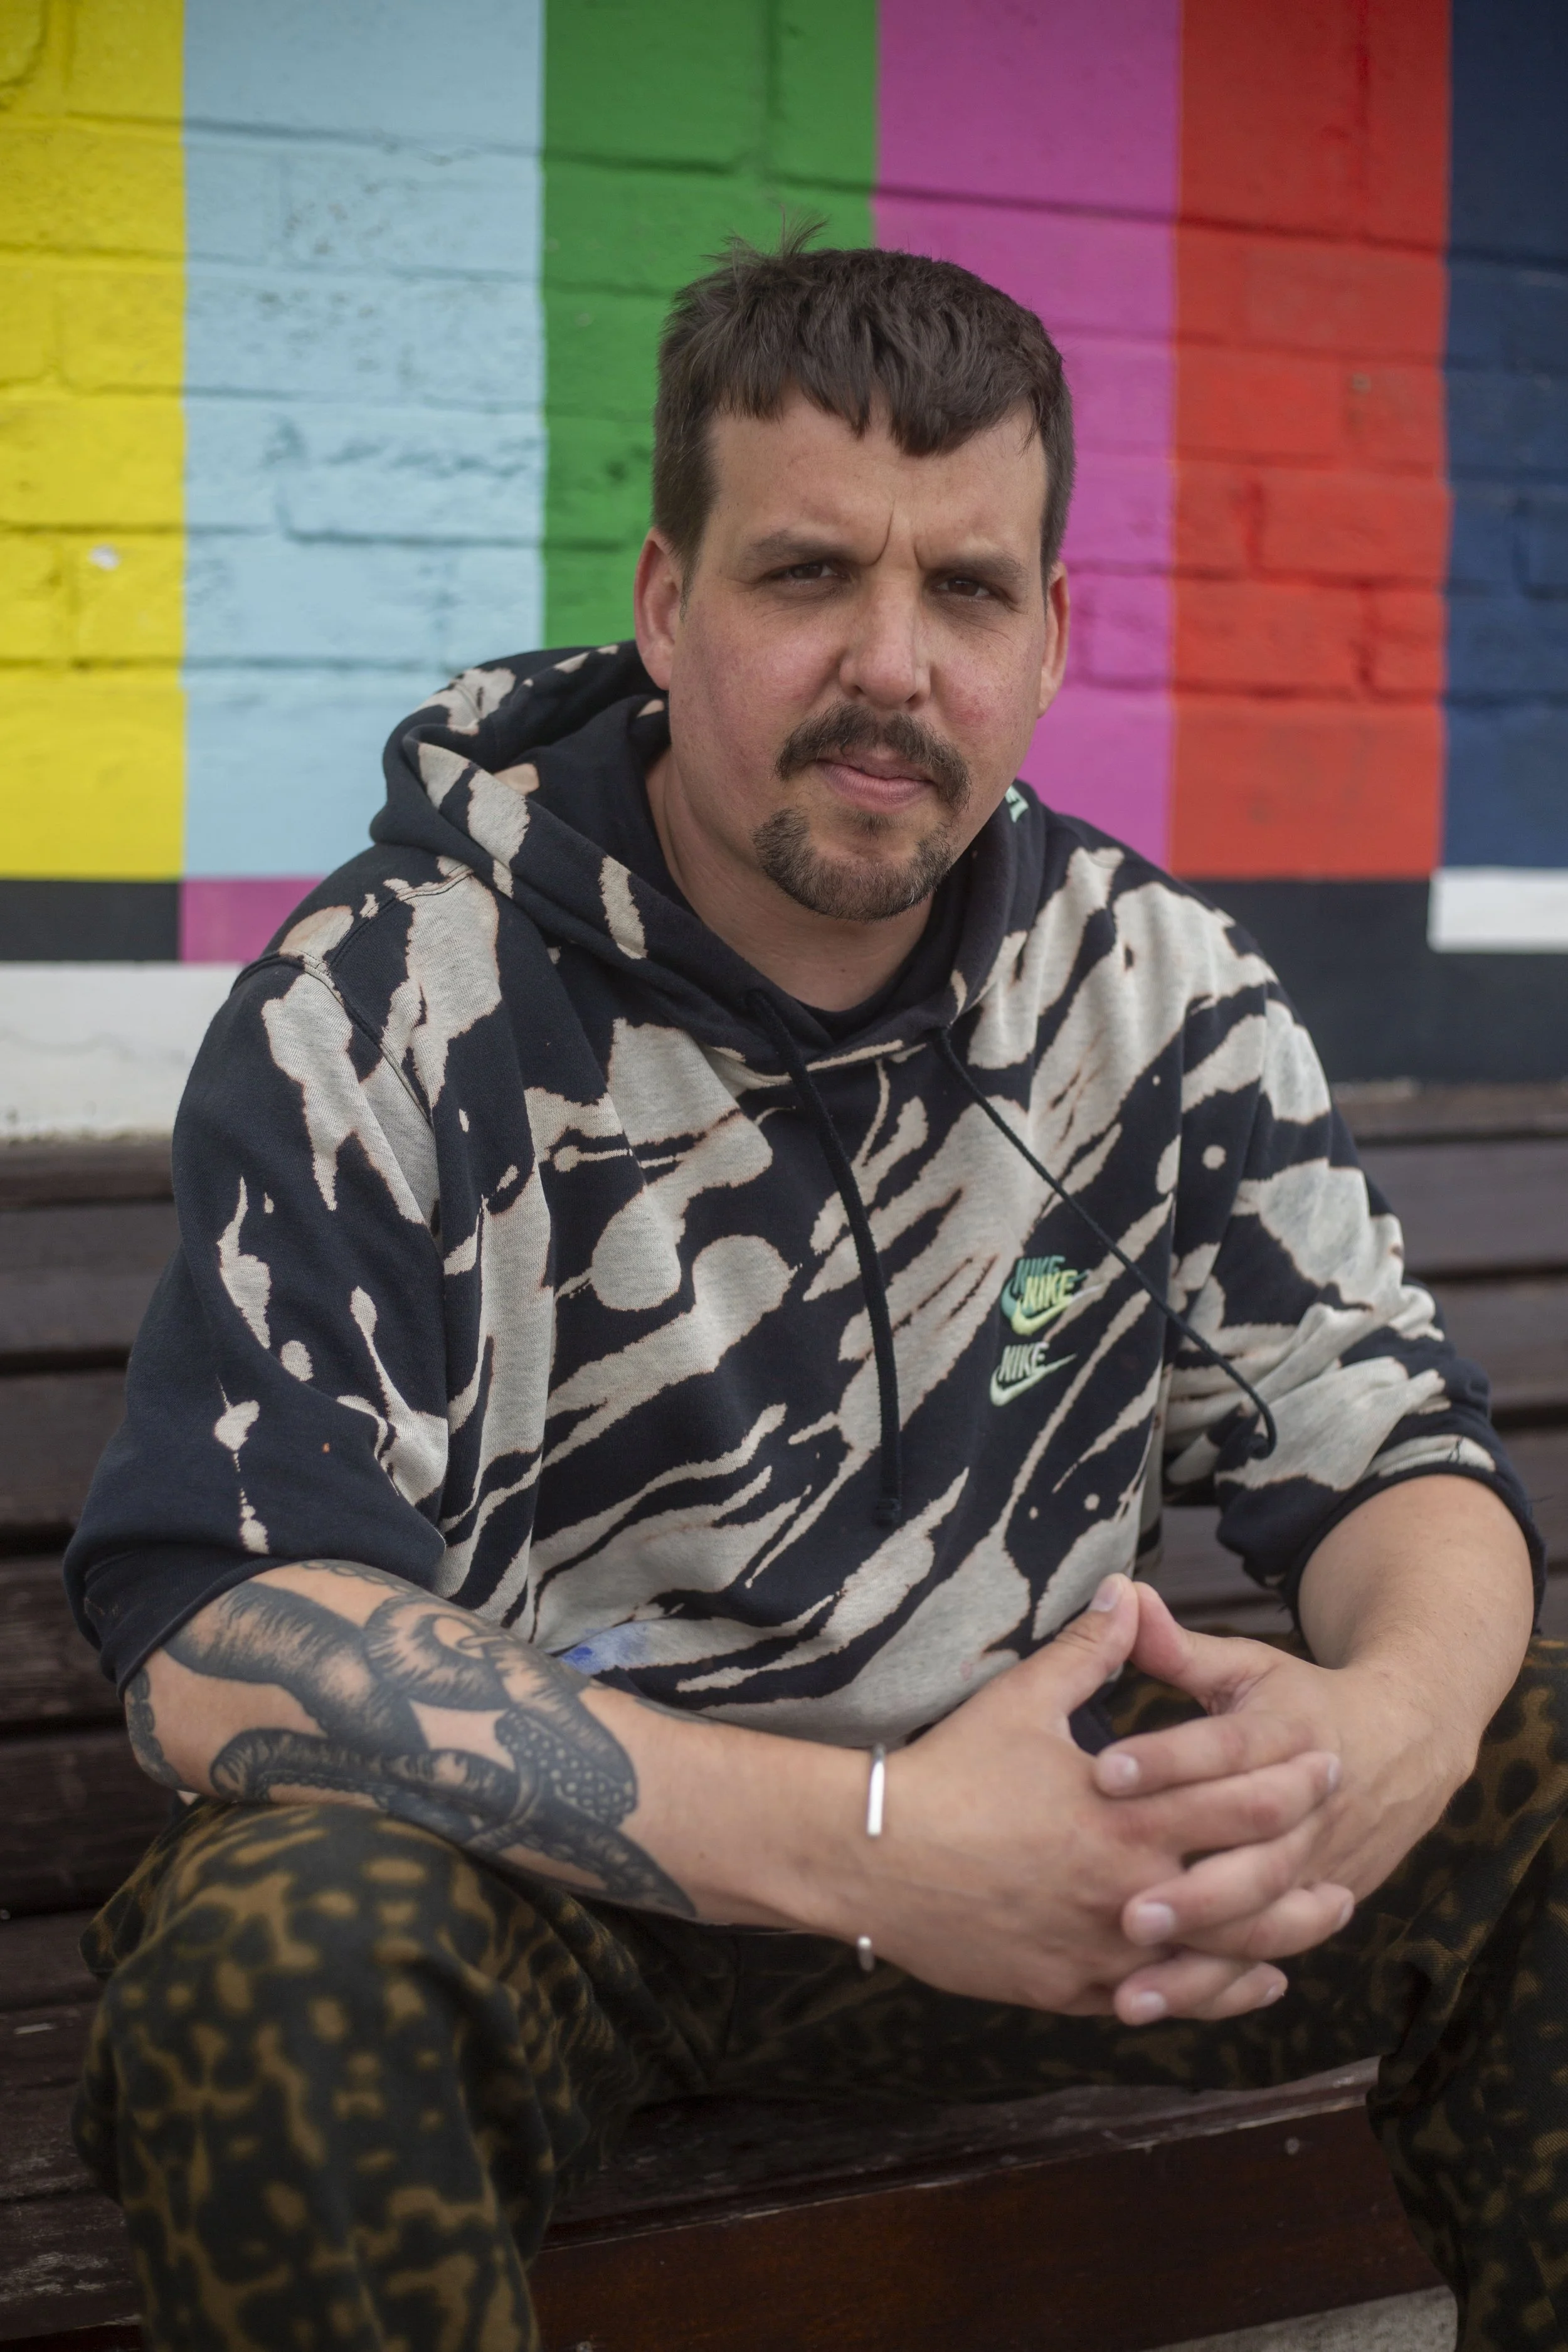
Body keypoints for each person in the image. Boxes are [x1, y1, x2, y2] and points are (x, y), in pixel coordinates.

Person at [65, 236, 1559, 2352]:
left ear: (1050, 639)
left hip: (1060, 1880)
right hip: (571, 1903)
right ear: (668, 606)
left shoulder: (1152, 997)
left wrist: (1385, 1733)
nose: (891, 663)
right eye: (803, 576)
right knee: (277, 1950)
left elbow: (1389, 1430)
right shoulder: (391, 1004)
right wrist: (872, 1839)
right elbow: (215, 1639)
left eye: (964, 591)